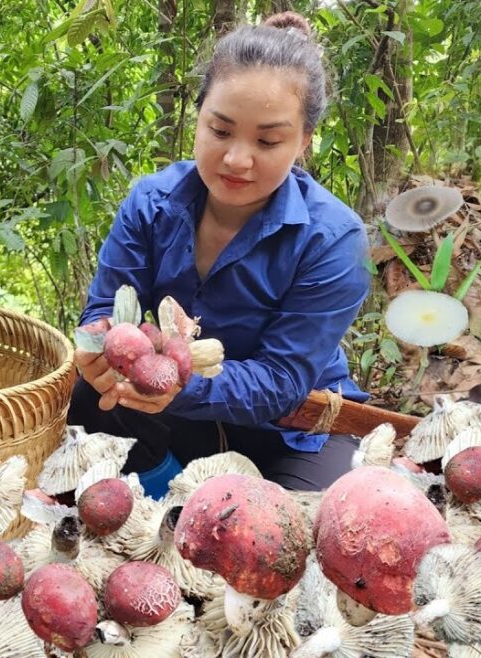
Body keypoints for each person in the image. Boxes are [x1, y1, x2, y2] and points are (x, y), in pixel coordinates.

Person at [68, 11, 371, 498]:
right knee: (86, 397)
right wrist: (101, 348)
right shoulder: (151, 204)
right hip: (175, 409)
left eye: (268, 140)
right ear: (200, 115)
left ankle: (195, 497)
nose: (236, 159)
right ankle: (170, 498)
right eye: (221, 130)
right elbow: (105, 308)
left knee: (301, 536)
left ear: (304, 141)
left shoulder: (333, 239)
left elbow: (281, 380)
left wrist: (178, 383)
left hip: (292, 429)